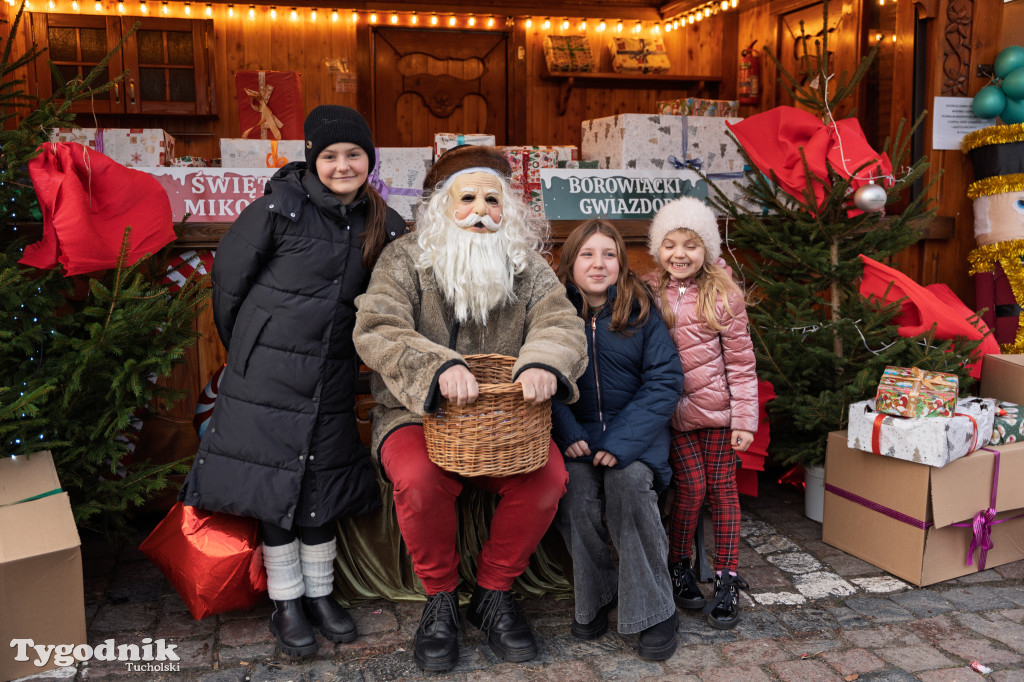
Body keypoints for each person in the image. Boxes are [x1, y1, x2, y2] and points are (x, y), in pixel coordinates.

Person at [179, 105, 408, 655]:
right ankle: (287, 602)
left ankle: (321, 595)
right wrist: (251, 347)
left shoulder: (384, 222)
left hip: (330, 372)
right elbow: (229, 284)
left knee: (319, 479)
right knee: (274, 482)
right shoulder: (279, 208)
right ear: (313, 159)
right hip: (267, 371)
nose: (343, 165)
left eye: (354, 155)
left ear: (369, 161)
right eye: (330, 156)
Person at [352, 144, 588, 672]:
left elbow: (561, 323)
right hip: (418, 411)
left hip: (507, 419)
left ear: (509, 210)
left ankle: (493, 591)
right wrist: (436, 367)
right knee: (419, 476)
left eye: (492, 199)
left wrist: (544, 362)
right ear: (441, 207)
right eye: (468, 198)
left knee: (547, 478)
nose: (481, 210)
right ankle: (440, 598)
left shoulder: (526, 266)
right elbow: (378, 327)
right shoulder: (405, 259)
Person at [551, 219, 684, 660]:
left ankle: (654, 608)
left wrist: (622, 441)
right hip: (577, 438)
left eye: (608, 254)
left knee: (628, 486)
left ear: (621, 263)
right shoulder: (551, 312)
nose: (598, 263)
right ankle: (597, 593)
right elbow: (540, 380)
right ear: (570, 263)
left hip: (637, 436)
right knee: (574, 489)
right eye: (587, 254)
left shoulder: (640, 310)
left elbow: (665, 380)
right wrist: (568, 433)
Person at [643, 196, 758, 630]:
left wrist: (745, 420)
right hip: (673, 417)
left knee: (723, 491)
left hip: (718, 416)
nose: (679, 254)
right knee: (689, 489)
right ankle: (680, 565)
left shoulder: (724, 296)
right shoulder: (651, 294)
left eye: (691, 244)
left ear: (707, 249)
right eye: (670, 244)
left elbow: (742, 364)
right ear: (659, 250)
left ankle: (726, 577)